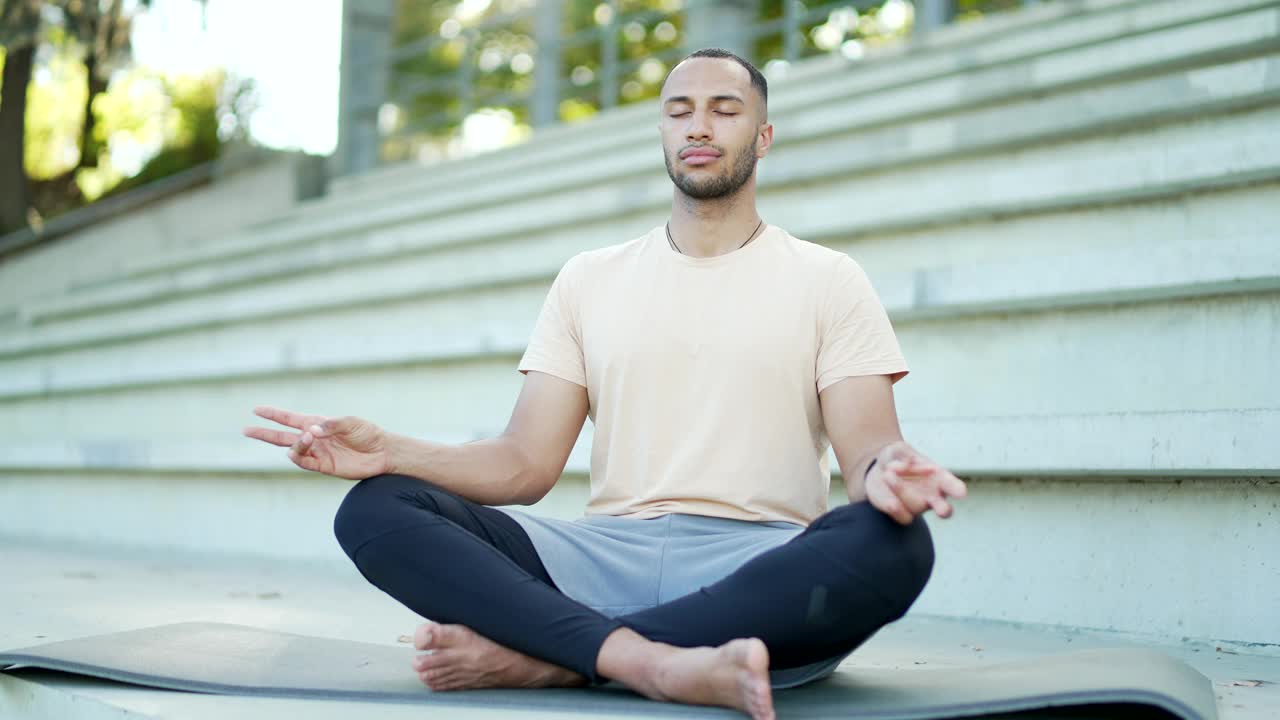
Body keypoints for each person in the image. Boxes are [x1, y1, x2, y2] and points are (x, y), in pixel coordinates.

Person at [243, 48, 967, 720]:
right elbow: (524, 465)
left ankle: (554, 661)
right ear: (662, 131)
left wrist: (891, 473)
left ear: (764, 136)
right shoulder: (589, 278)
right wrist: (389, 451)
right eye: (679, 109)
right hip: (601, 557)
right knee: (376, 509)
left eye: (724, 108)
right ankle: (645, 661)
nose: (699, 125)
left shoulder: (828, 279)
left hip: (758, 566)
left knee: (897, 544)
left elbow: (870, 449)